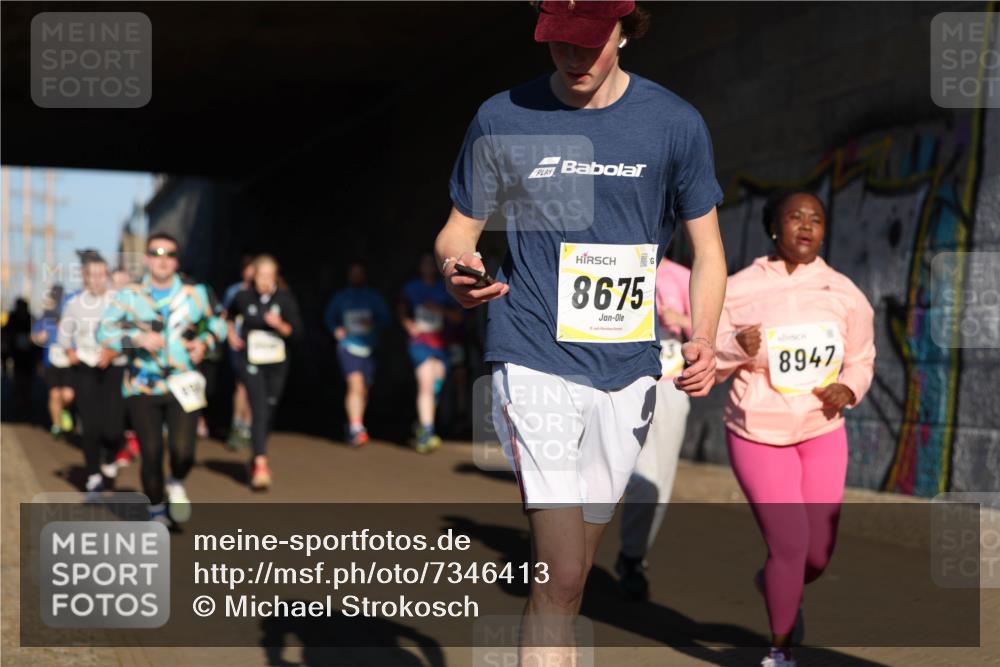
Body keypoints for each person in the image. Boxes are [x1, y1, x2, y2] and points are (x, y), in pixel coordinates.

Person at [435, 1, 727, 662]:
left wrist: (703, 336)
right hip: (532, 348)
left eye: (588, 43)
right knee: (563, 570)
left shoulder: (674, 124)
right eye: (557, 43)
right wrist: (457, 267)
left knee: (567, 583)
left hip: (627, 367)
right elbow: (458, 229)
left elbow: (707, 250)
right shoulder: (502, 116)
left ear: (627, 29)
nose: (571, 58)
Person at [715, 190, 875, 667]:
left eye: (817, 219)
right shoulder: (737, 287)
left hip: (822, 429)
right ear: (774, 226)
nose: (806, 226)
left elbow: (862, 357)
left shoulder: (845, 292)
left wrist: (848, 387)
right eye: (795, 217)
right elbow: (708, 358)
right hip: (756, 431)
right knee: (789, 543)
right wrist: (734, 348)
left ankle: (778, 584)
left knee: (817, 555)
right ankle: (780, 650)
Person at [96, 233, 226, 525]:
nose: (162, 259)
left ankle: (176, 481)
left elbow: (219, 320)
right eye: (156, 253)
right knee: (151, 452)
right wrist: (137, 337)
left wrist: (204, 342)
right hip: (143, 384)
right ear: (146, 259)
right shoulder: (130, 295)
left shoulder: (196, 292)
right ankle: (156, 510)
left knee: (184, 450)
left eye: (169, 254)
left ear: (176, 261)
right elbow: (103, 332)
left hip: (183, 381)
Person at [615, 256, 693, 599]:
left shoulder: (684, 276)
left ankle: (634, 556)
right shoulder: (613, 263)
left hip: (670, 385)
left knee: (657, 482)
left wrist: (684, 322)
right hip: (620, 381)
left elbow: (715, 329)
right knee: (624, 475)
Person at [226, 254, 302, 490]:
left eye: (270, 276)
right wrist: (230, 335)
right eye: (261, 275)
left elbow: (297, 333)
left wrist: (280, 325)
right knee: (258, 408)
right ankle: (261, 465)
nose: (265, 280)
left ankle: (256, 454)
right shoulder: (242, 297)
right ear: (253, 275)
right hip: (251, 362)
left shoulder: (285, 300)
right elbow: (227, 316)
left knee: (267, 411)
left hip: (277, 364)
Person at [58, 252, 127, 494]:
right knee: (90, 424)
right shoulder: (74, 305)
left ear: (107, 277)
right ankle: (93, 474)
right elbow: (64, 337)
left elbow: (131, 334)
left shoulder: (120, 301)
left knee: (113, 427)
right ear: (84, 278)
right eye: (91, 275)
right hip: (85, 370)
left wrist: (114, 351)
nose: (96, 280)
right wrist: (71, 353)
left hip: (114, 368)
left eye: (101, 275)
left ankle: (110, 457)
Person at [324, 260, 391, 446]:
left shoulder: (372, 297)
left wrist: (373, 325)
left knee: (363, 389)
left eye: (359, 273)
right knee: (355, 385)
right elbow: (329, 317)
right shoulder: (341, 297)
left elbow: (385, 317)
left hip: (368, 347)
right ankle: (356, 428)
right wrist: (335, 329)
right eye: (353, 273)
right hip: (348, 346)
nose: (356, 277)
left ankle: (356, 422)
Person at [399, 252, 458, 454]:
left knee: (435, 386)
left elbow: (459, 317)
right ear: (420, 267)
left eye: (432, 264)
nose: (429, 268)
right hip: (420, 343)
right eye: (425, 264)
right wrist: (408, 325)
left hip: (441, 344)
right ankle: (426, 432)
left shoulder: (446, 288)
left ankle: (423, 422)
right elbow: (401, 309)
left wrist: (440, 310)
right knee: (425, 383)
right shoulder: (411, 288)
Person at [31, 284, 75, 437]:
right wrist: (38, 338)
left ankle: (64, 410)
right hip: (51, 362)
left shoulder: (72, 316)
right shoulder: (45, 318)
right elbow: (34, 336)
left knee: (67, 395)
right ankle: (56, 425)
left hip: (69, 361)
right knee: (55, 394)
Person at [223, 255, 256, 450]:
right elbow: (226, 315)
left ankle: (249, 427)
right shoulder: (234, 291)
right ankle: (238, 425)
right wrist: (231, 336)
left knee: (254, 387)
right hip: (239, 345)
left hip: (259, 348)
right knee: (241, 384)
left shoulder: (262, 292)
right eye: (249, 269)